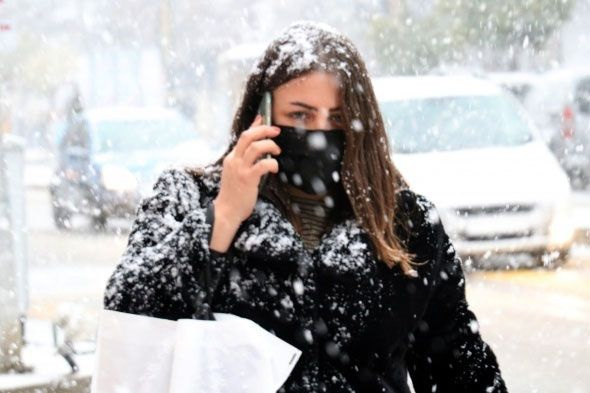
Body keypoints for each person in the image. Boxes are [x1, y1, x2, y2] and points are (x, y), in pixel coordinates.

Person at [103, 21, 508, 393]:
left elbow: (458, 364)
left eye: (337, 118)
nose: (319, 134)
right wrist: (223, 216)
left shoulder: (405, 223)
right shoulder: (188, 197)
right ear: (260, 115)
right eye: (300, 115)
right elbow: (131, 315)